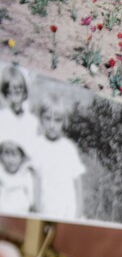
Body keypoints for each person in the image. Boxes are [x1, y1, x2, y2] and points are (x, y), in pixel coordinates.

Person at [31, 93, 85, 221]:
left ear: (64, 121)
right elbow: (36, 182)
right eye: (47, 118)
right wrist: (38, 210)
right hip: (46, 208)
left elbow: (77, 184)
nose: (52, 125)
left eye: (57, 120)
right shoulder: (37, 146)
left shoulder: (69, 148)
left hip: (69, 210)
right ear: (40, 119)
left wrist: (78, 213)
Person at [0, 65, 39, 145]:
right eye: (9, 93)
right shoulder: (2, 117)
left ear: (24, 93)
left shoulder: (31, 121)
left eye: (17, 93)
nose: (13, 98)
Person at [0, 140, 37, 214]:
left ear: (22, 157)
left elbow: (32, 202)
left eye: (15, 155)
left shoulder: (26, 175)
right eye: (6, 154)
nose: (11, 160)